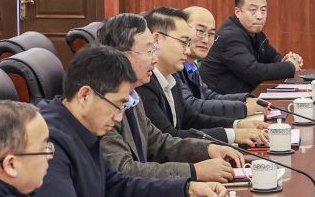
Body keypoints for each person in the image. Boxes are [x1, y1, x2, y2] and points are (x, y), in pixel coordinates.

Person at [36, 46, 206, 197]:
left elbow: (117, 187)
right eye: (117, 106)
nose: (119, 117)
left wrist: (187, 189)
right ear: (84, 95)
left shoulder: (83, 126)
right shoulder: (46, 138)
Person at [103, 13, 265, 151]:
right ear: (157, 40)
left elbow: (188, 119)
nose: (188, 50)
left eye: (211, 34)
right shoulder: (141, 87)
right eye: (184, 42)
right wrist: (231, 134)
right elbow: (165, 140)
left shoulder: (171, 77)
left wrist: (236, 126)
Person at [199, 0, 303, 95]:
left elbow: (272, 56)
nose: (259, 16)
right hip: (217, 100)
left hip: (240, 97)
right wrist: (290, 66)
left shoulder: (254, 31)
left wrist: (286, 61)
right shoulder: (230, 36)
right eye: (253, 10)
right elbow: (253, 72)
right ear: (238, 12)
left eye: (263, 10)